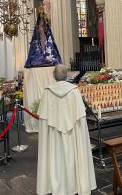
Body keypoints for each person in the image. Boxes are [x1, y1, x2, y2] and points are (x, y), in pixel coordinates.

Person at [36, 64, 96, 195]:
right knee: (73, 156)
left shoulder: (47, 91)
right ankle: (76, 184)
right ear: (67, 75)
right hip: (72, 134)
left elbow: (44, 120)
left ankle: (53, 185)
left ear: (53, 76)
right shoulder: (74, 90)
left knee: (54, 157)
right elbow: (81, 118)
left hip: (53, 136)